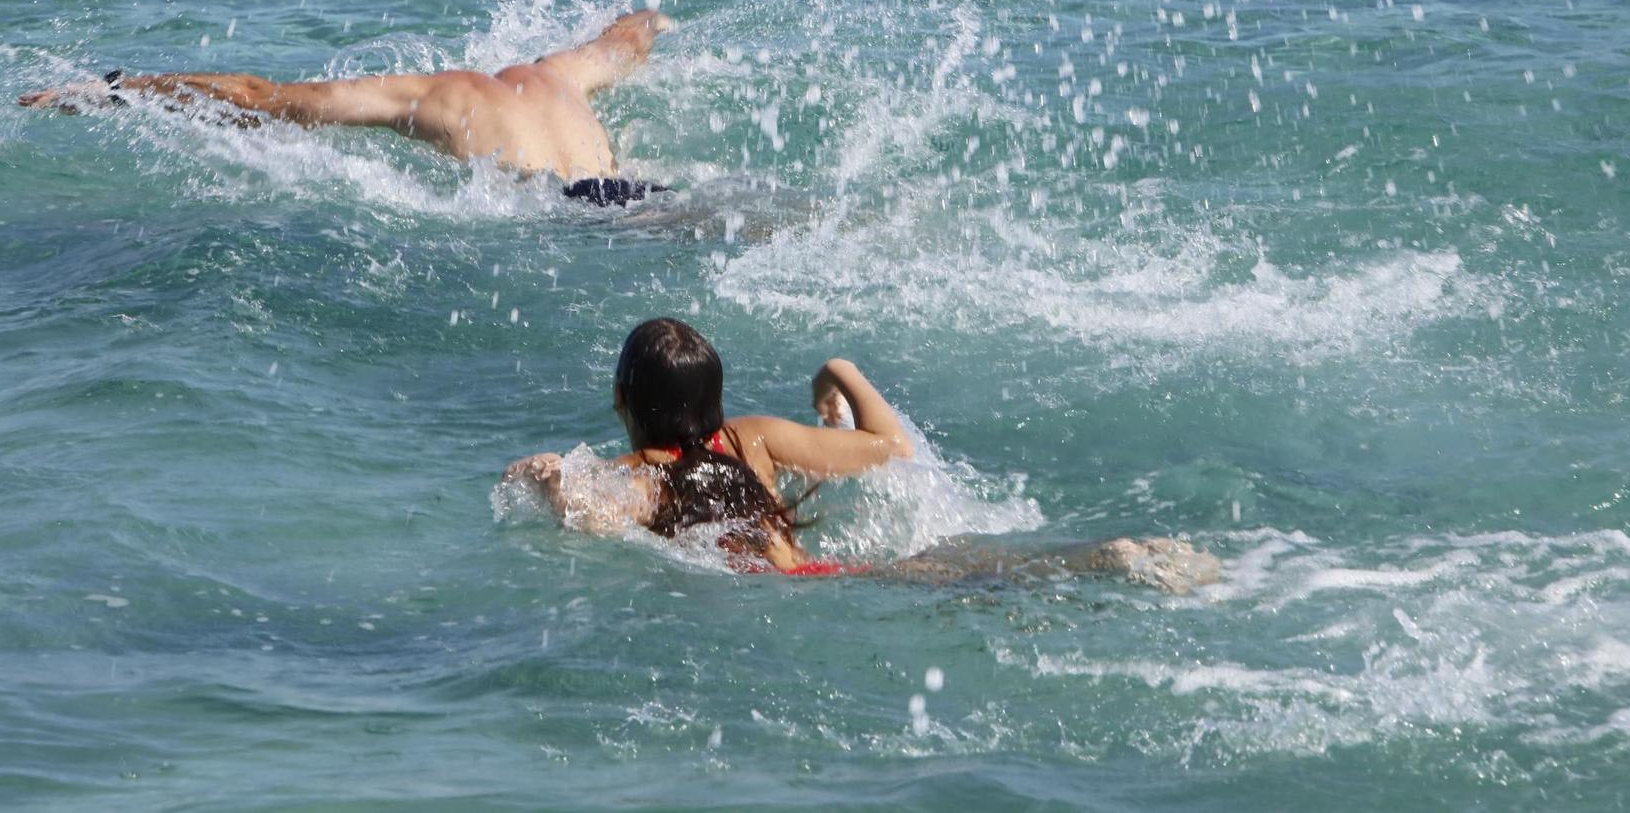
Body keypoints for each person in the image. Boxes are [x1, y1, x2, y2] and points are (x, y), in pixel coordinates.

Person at [503, 318, 1221, 591]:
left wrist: (545, 478)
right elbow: (891, 448)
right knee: (992, 570)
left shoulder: (641, 476)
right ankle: (1120, 554)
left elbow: (593, 514)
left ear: (623, 399)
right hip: (826, 572)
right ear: (713, 400)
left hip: (801, 594)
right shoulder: (752, 437)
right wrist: (839, 370)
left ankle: (1112, 563)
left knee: (981, 588)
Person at [18, 8, 675, 204]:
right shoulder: (563, 74)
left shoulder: (437, 94)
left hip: (563, 214)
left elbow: (258, 98)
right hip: (636, 195)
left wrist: (116, 89)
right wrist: (649, 19)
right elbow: (624, 41)